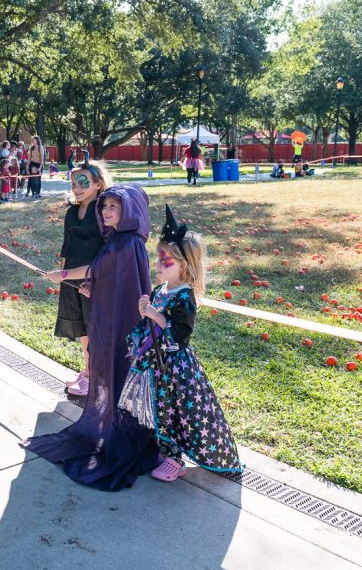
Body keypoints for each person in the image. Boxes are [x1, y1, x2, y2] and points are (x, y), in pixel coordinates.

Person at [22, 185, 157, 490]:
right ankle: (113, 422)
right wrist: (95, 289)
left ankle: (120, 429)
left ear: (130, 211)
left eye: (114, 207)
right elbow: (114, 280)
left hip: (120, 325)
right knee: (108, 369)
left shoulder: (126, 243)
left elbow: (97, 269)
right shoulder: (120, 240)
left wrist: (65, 275)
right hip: (111, 316)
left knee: (117, 372)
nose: (106, 211)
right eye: (105, 206)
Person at [120, 206, 242, 481]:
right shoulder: (162, 289)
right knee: (158, 407)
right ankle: (161, 449)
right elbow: (151, 323)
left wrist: (155, 315)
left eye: (166, 261)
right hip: (155, 361)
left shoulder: (184, 296)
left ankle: (176, 460)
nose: (159, 264)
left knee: (175, 411)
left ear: (184, 266)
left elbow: (180, 333)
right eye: (159, 258)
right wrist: (145, 314)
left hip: (175, 366)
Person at [55, 164, 110, 397]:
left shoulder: (103, 213)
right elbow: (69, 248)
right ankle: (87, 370)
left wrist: (93, 279)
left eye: (83, 183)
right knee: (81, 324)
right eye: (74, 183)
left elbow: (107, 252)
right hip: (72, 276)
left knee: (93, 325)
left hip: (93, 278)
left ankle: (96, 378)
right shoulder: (71, 212)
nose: (77, 188)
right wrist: (64, 272)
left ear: (98, 184)